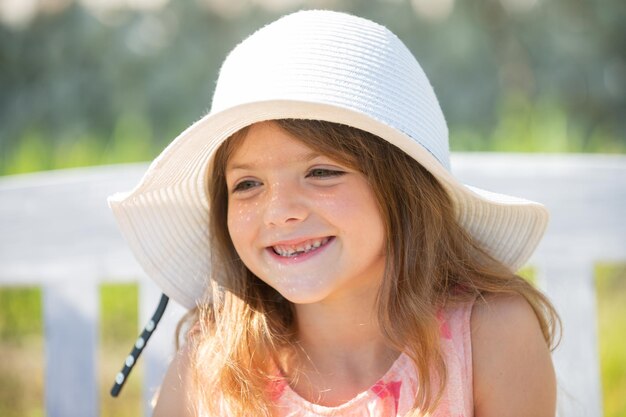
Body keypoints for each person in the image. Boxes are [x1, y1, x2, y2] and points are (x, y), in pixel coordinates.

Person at [108, 10, 560, 417]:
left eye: (321, 172)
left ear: (402, 188)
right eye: (247, 184)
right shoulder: (217, 366)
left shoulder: (490, 336)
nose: (280, 211)